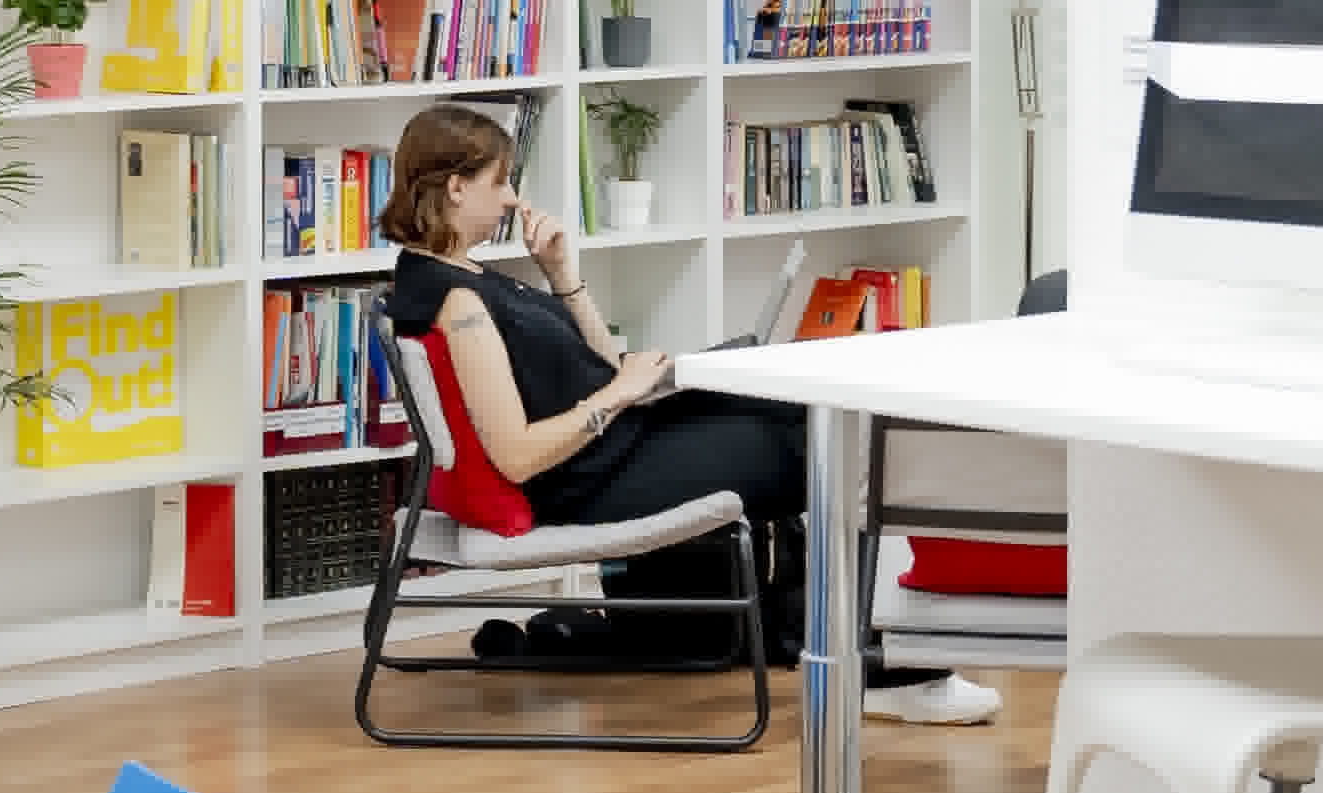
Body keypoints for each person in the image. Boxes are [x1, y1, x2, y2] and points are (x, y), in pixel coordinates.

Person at [376, 102, 993, 725]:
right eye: (500, 181)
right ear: (456, 188)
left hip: (621, 443)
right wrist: (618, 395)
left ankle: (861, 649)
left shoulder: (464, 275)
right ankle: (882, 669)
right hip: (592, 479)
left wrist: (563, 278)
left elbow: (605, 362)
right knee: (821, 442)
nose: (510, 199)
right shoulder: (457, 304)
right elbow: (518, 453)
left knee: (796, 405)